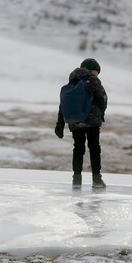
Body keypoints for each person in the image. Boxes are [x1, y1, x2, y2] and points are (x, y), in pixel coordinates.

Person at [55, 58, 108, 189]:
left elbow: (63, 104)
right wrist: (101, 114)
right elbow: (102, 98)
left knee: (78, 148)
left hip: (75, 121)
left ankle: (76, 179)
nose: (97, 74)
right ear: (92, 70)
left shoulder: (73, 81)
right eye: (97, 71)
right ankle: (97, 179)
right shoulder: (93, 80)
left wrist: (60, 124)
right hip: (92, 122)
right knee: (94, 148)